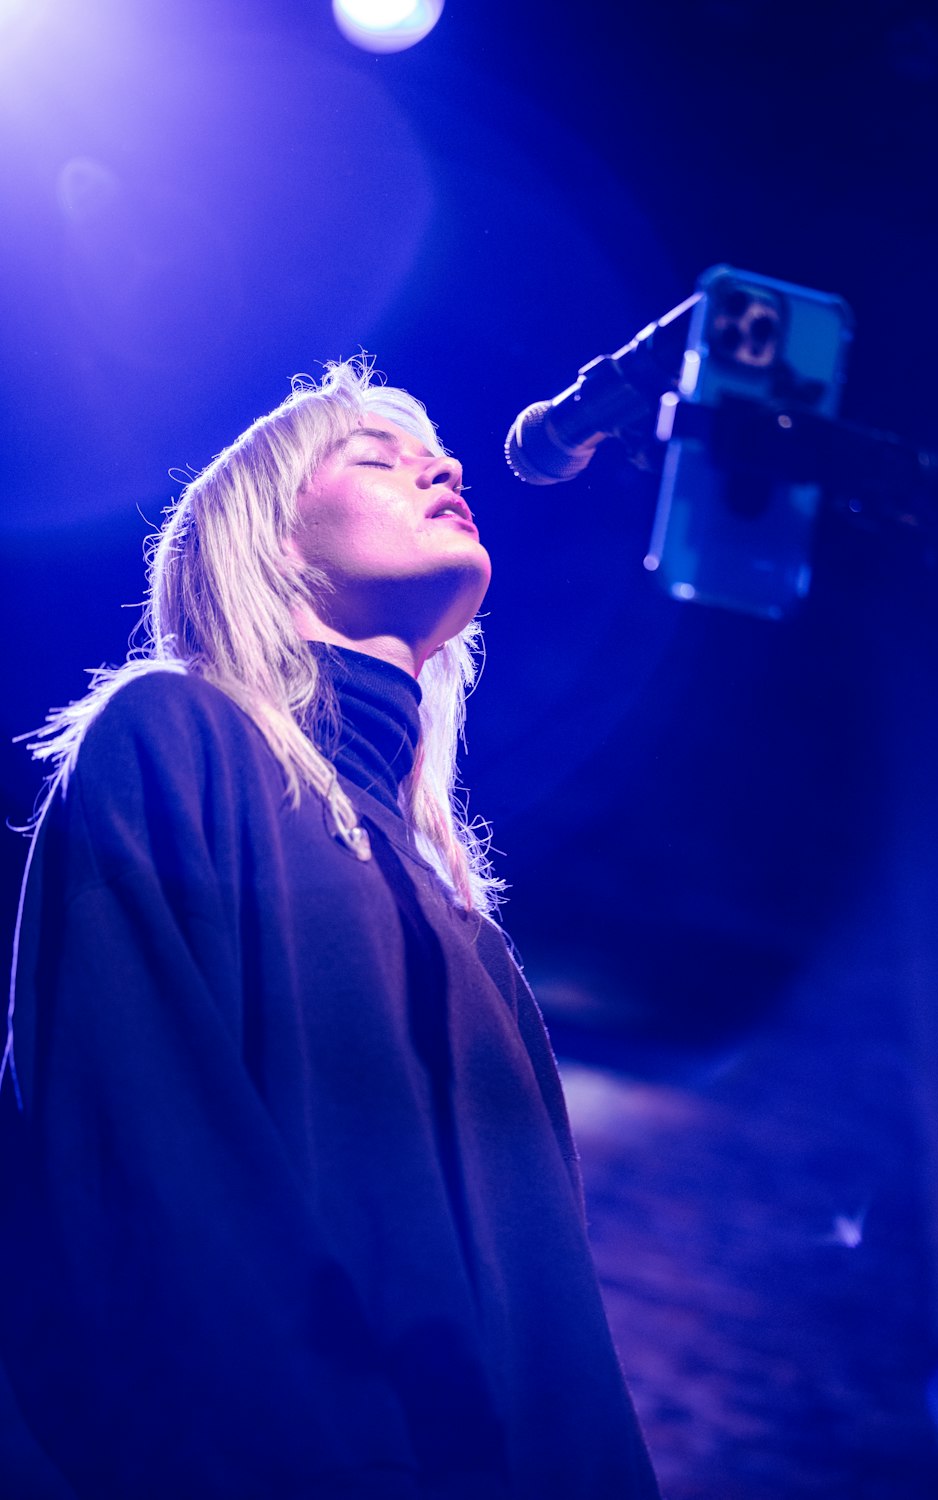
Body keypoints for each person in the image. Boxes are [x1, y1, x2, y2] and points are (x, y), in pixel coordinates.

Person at [0, 361, 659, 1499]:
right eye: (376, 455)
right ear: (273, 540)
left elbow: (553, 1319)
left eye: (435, 454)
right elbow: (150, 1155)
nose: (444, 468)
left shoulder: (466, 929)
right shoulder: (175, 739)